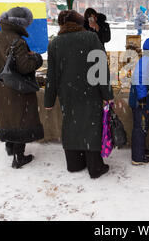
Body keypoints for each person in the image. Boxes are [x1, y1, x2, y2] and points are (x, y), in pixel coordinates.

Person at [44, 10, 113, 179]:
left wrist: (49, 99)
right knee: (91, 125)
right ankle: (95, 167)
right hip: (90, 90)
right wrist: (107, 93)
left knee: (71, 123)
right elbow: (101, 67)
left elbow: (51, 75)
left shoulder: (55, 43)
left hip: (67, 92)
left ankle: (74, 163)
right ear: (80, 22)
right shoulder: (90, 38)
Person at [0, 7, 44, 169]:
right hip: (17, 89)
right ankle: (19, 157)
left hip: (1, 88)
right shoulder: (17, 41)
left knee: (7, 118)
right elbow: (25, 67)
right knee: (21, 120)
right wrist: (36, 58)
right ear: (22, 23)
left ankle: (10, 147)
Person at [129, 37, 149, 165]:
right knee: (140, 128)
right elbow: (140, 78)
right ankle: (137, 157)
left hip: (141, 99)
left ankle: (140, 149)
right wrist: (142, 99)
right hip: (140, 101)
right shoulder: (147, 61)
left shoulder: (146, 60)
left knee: (142, 127)